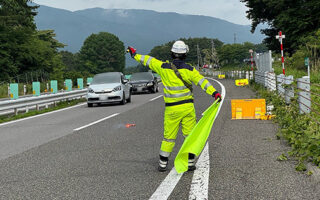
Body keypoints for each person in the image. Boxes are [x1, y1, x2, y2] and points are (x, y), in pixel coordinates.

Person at [127, 40, 222, 172]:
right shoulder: (190, 70)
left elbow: (149, 60)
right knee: (189, 136)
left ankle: (163, 164)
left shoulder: (164, 67)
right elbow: (202, 82)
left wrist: (134, 54)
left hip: (171, 109)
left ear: (172, 53)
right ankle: (189, 163)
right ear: (185, 54)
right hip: (187, 108)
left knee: (169, 137)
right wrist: (215, 93)